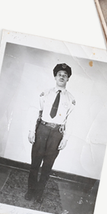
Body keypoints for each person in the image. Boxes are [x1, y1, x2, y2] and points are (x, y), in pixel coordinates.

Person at [26, 63, 76, 203]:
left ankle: (39, 193)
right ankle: (31, 191)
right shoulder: (45, 93)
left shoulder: (71, 100)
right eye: (59, 74)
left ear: (68, 79)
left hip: (56, 134)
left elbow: (70, 120)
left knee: (47, 165)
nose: (62, 77)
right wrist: (32, 131)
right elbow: (35, 110)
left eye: (65, 75)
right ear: (55, 76)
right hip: (42, 129)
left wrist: (65, 139)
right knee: (35, 162)